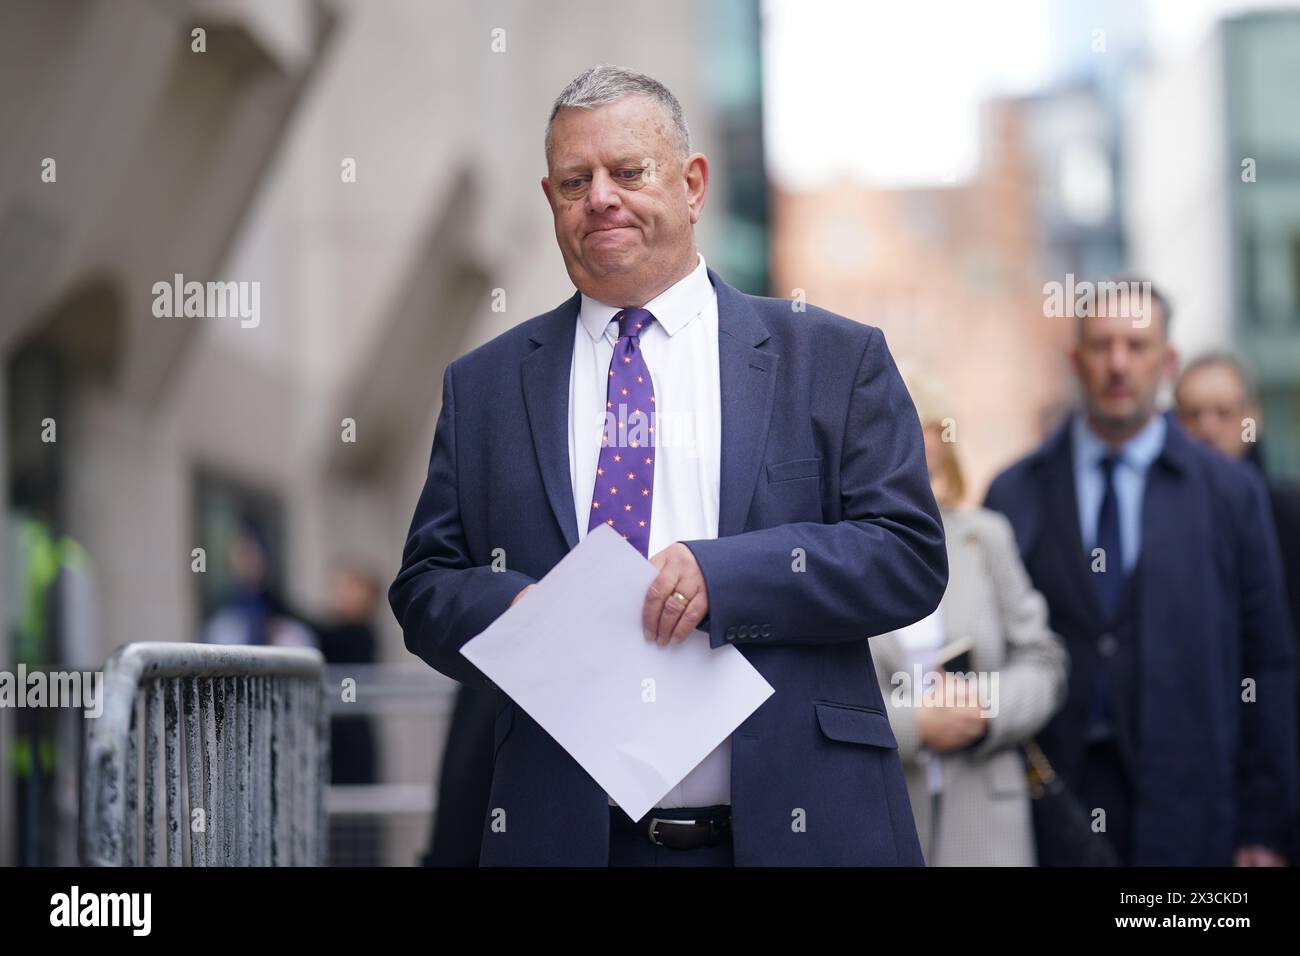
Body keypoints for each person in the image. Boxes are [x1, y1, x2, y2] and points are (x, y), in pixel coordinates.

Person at [389, 65, 948, 866]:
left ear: (692, 185)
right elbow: (424, 585)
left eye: (628, 172)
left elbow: (907, 555)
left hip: (800, 828)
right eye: (576, 181)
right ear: (551, 201)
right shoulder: (484, 386)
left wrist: (726, 576)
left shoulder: (830, 359)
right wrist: (517, 611)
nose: (601, 198)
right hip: (572, 836)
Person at [984, 280, 1296, 865]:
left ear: (1168, 360)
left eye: (1137, 344)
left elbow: (1267, 663)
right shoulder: (1016, 491)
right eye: (1101, 346)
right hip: (1051, 810)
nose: (1119, 364)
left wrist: (1265, 824)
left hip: (1193, 810)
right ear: (1076, 359)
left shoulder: (1229, 493)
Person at [872, 387, 1067, 865]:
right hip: (881, 812)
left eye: (931, 471)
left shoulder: (987, 537)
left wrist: (984, 707)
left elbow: (1044, 662)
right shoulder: (838, 553)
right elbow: (814, 692)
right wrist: (912, 724)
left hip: (986, 820)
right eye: (899, 474)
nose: (918, 493)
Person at [1174, 351, 1300, 862]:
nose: (1208, 428)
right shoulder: (1157, 522)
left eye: (1223, 413)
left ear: (1252, 418)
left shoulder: (1287, 515)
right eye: (1193, 414)